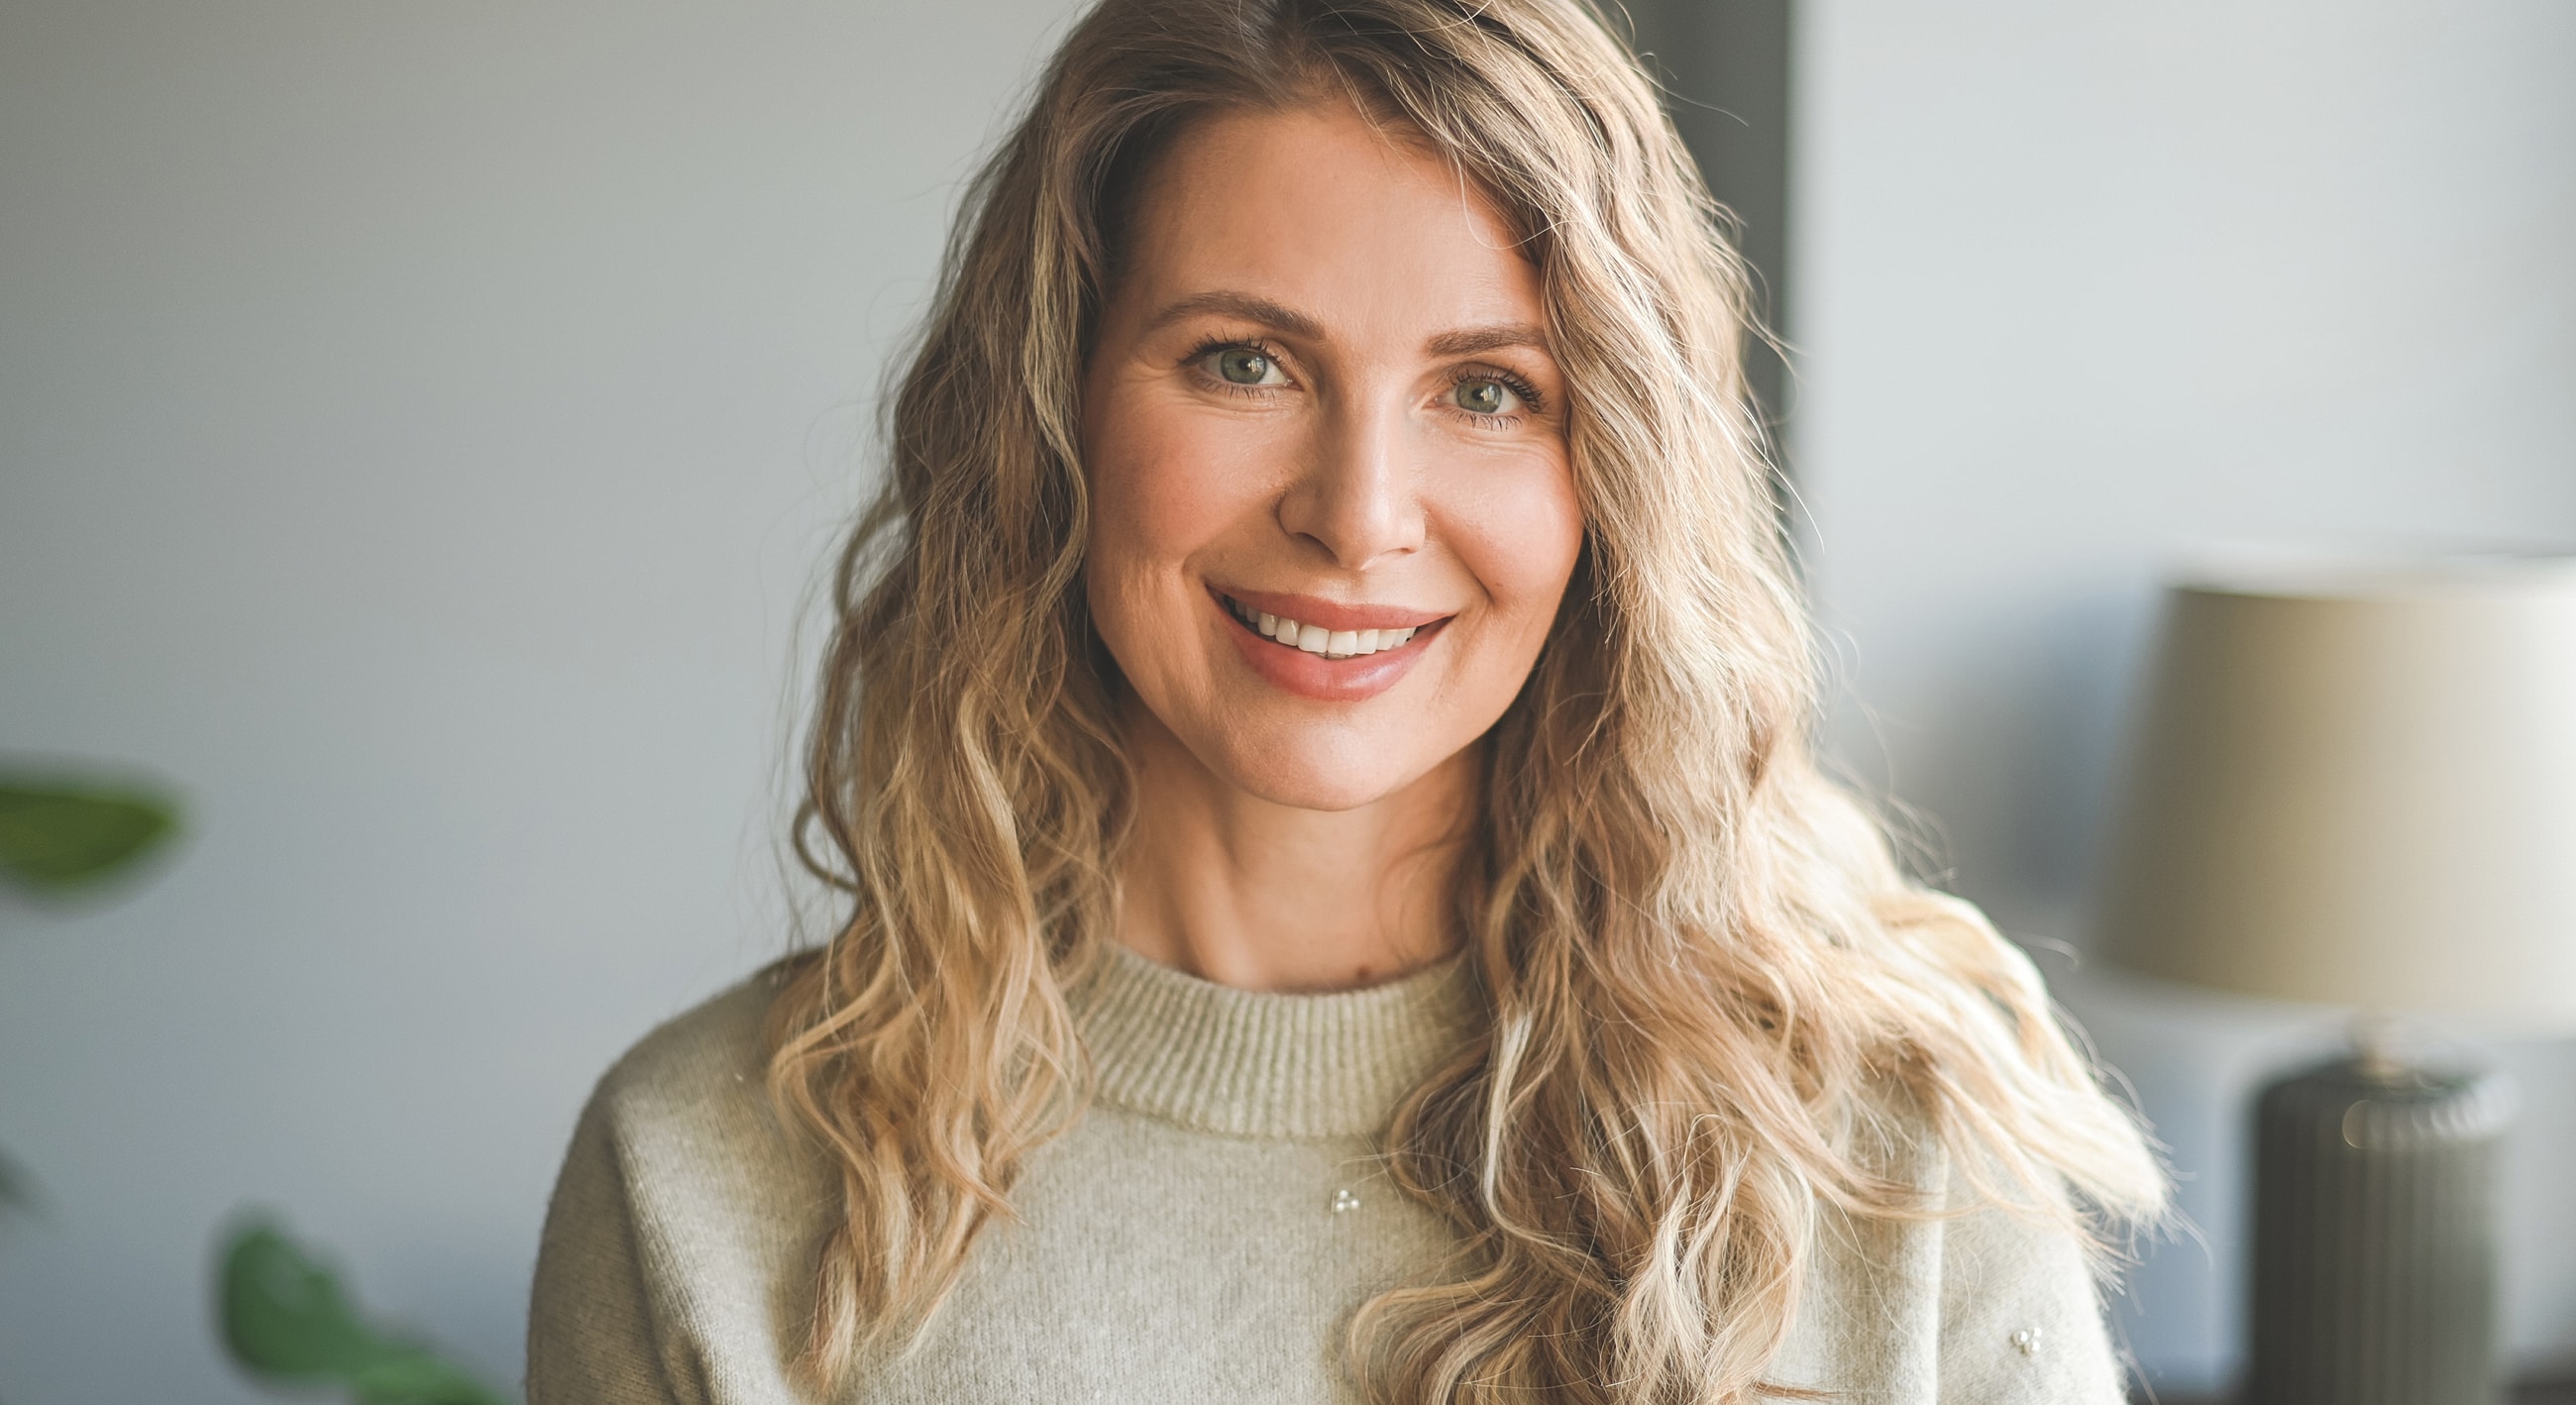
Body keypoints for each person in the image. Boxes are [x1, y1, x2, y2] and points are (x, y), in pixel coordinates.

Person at [527, 0, 2167, 1399]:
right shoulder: (702, 1180)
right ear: (1056, 414)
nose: (1360, 510)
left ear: (1618, 482)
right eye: (1246, 360)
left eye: (1486, 389)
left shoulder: (1908, 1153)